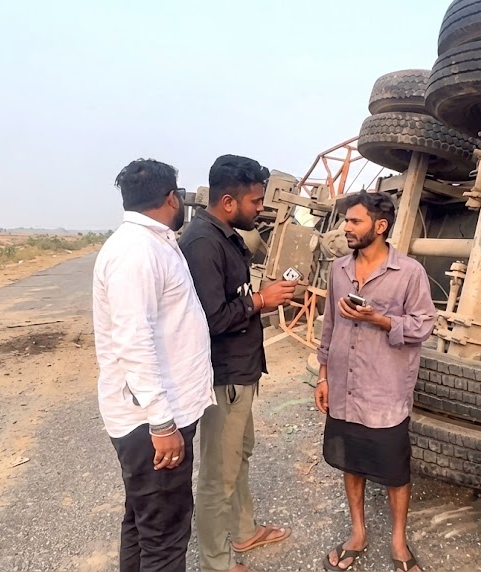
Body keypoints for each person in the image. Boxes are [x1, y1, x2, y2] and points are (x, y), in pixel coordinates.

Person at [92, 158, 216, 572]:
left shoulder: (152, 242)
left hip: (157, 414)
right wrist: (162, 425)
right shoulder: (137, 252)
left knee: (143, 522)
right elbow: (134, 342)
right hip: (152, 421)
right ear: (171, 198)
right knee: (164, 537)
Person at [179, 154, 296, 572]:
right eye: (256, 202)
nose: (260, 209)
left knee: (239, 456)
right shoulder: (203, 242)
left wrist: (261, 296)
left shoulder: (225, 235)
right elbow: (210, 319)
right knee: (219, 473)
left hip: (241, 372)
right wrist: (261, 300)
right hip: (223, 376)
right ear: (228, 201)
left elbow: (233, 299)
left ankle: (244, 532)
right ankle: (215, 560)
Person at [314, 191, 436, 572]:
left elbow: (423, 325)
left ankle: (398, 542)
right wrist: (322, 376)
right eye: (346, 221)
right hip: (343, 389)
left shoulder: (409, 273)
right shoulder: (339, 269)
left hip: (385, 394)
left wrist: (379, 319)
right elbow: (329, 325)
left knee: (395, 471)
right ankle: (358, 533)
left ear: (380, 226)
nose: (346, 228)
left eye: (355, 221)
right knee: (351, 461)